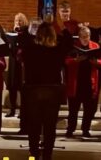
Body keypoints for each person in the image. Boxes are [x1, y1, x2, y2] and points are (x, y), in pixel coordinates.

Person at [21, 20, 73, 160]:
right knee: (50, 127)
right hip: (52, 90)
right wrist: (64, 29)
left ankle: (33, 154)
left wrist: (27, 27)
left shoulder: (31, 49)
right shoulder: (57, 49)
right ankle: (47, 156)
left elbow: (22, 40)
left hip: (33, 90)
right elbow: (69, 43)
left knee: (34, 126)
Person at [64, 26, 101, 138]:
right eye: (83, 37)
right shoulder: (74, 46)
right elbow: (66, 61)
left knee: (89, 109)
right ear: (79, 37)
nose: (86, 39)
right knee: (73, 109)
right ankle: (70, 129)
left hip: (89, 82)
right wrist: (76, 60)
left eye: (88, 36)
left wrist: (95, 62)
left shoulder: (95, 46)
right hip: (76, 83)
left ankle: (85, 129)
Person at [6, 13, 29, 118]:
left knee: (23, 88)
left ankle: (23, 110)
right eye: (16, 21)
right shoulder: (11, 33)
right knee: (12, 87)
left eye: (20, 21)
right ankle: (12, 109)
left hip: (23, 64)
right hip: (13, 63)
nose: (18, 23)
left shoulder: (27, 34)